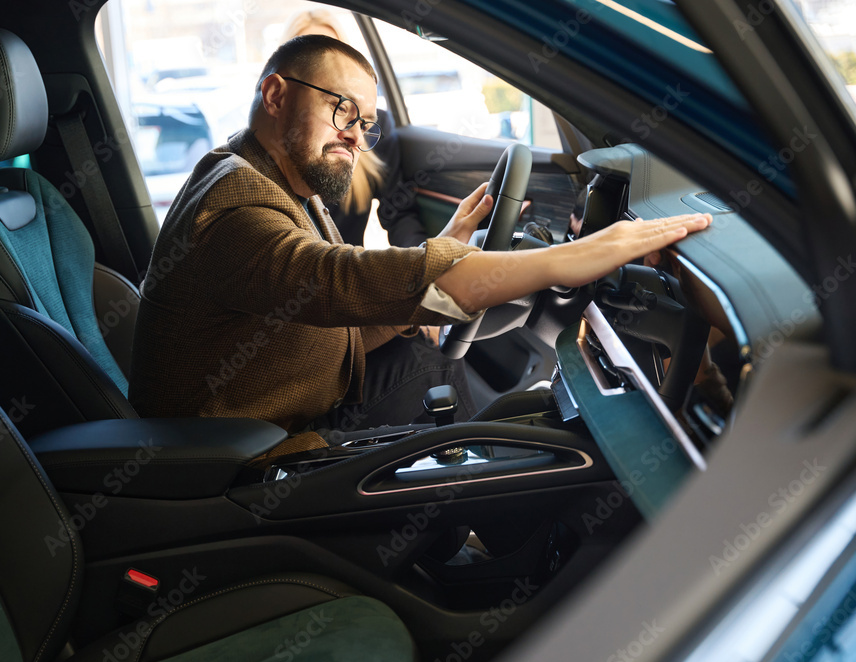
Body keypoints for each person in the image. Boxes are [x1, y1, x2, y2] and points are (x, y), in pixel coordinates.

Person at [128, 35, 710, 444]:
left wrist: (437, 279)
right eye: (343, 112)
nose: (357, 139)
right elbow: (337, 279)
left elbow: (332, 315)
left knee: (432, 363)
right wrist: (572, 258)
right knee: (440, 379)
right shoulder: (236, 206)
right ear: (276, 94)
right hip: (236, 456)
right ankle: (481, 545)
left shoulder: (278, 180)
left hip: (279, 410)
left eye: (365, 124)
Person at [280, 10, 427, 248]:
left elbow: (399, 215)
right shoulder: (262, 149)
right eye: (308, 60)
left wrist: (427, 262)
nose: (354, 135)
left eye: (331, 57)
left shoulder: (375, 129)